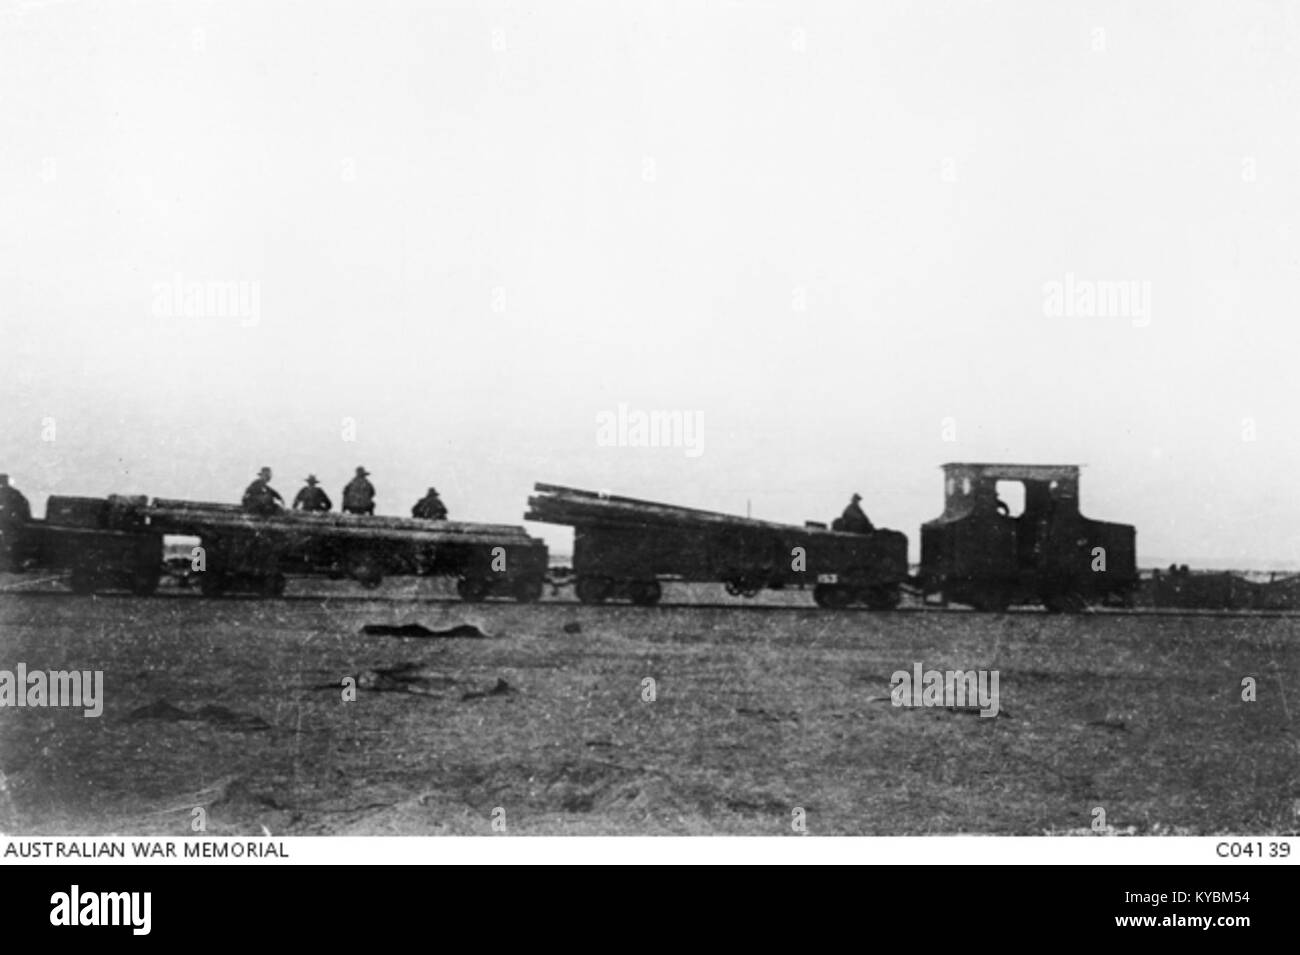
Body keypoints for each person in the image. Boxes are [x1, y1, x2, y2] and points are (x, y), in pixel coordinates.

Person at [0, 474, 32, 572]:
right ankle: (14, 565)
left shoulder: (8, 493)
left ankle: (11, 565)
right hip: (15, 524)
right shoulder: (15, 493)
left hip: (9, 524)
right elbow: (25, 506)